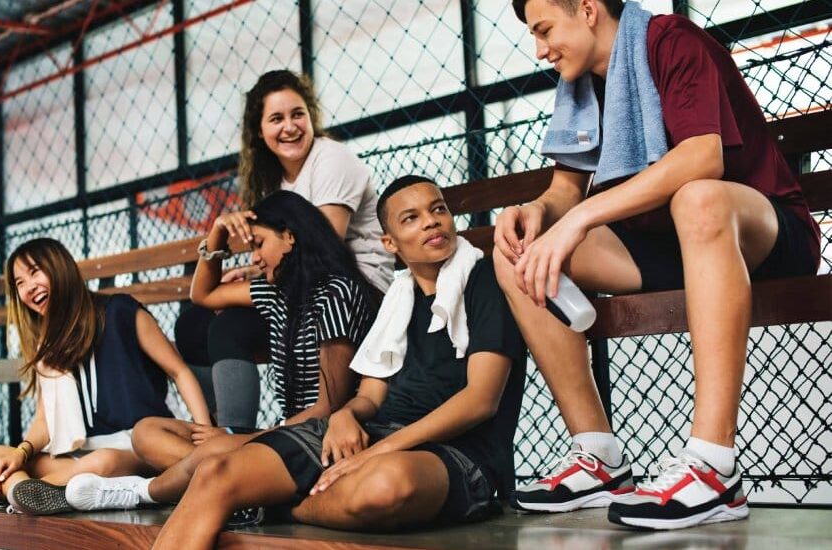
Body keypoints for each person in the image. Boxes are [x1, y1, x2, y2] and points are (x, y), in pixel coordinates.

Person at [495, 0, 820, 530]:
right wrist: (538, 212)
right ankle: (598, 456)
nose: (540, 49)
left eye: (545, 29)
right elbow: (564, 190)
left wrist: (578, 220)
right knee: (515, 254)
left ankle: (715, 467)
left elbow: (702, 157)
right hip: (670, 247)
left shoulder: (670, 40)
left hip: (759, 232)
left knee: (699, 198)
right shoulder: (579, 83)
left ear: (587, 8)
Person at [148, 176, 526, 550]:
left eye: (438, 209)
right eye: (411, 218)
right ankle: (256, 495)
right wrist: (346, 416)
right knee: (216, 471)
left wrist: (380, 451)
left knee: (385, 485)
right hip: (373, 434)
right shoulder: (400, 299)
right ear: (390, 243)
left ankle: (268, 501)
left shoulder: (484, 280)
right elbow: (371, 397)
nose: (431, 221)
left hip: (458, 452)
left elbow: (481, 400)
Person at [63, 190, 378, 511]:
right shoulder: (277, 293)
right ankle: (243, 491)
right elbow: (204, 294)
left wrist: (255, 435)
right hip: (288, 430)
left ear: (289, 237)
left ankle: (144, 490)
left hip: (320, 435)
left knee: (210, 451)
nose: (254, 258)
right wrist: (217, 234)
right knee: (147, 432)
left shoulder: (335, 293)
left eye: (258, 244)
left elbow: (329, 406)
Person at [174, 69, 393, 433]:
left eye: (298, 114)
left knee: (227, 326)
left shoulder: (331, 159)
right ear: (259, 131)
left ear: (311, 117)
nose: (290, 126)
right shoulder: (272, 180)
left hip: (356, 290)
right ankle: (220, 427)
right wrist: (230, 249)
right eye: (276, 118)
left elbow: (323, 244)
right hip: (300, 287)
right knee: (193, 325)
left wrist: (256, 272)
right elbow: (212, 289)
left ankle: (237, 437)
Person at [0, 238, 212, 515]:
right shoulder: (47, 344)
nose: (28, 288)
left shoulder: (120, 310)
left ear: (59, 268)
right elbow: (44, 421)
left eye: (35, 272)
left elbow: (178, 371)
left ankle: (3, 493)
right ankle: (26, 492)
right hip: (79, 452)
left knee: (101, 464)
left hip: (133, 447)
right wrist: (20, 454)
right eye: (19, 283)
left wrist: (206, 432)